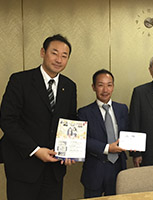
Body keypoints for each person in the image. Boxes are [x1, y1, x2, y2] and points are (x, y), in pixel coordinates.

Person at [0, 34, 77, 200]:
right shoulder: (20, 80)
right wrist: (35, 150)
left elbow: (70, 121)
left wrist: (70, 150)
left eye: (64, 56)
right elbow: (7, 120)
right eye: (54, 53)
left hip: (55, 169)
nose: (59, 59)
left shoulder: (69, 86)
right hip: (23, 166)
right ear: (43, 52)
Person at [78, 69, 128, 197]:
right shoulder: (84, 112)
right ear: (93, 87)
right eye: (100, 85)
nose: (105, 90)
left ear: (113, 87)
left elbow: (128, 132)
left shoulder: (122, 109)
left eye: (109, 85)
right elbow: (83, 139)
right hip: (95, 170)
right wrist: (107, 148)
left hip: (118, 169)